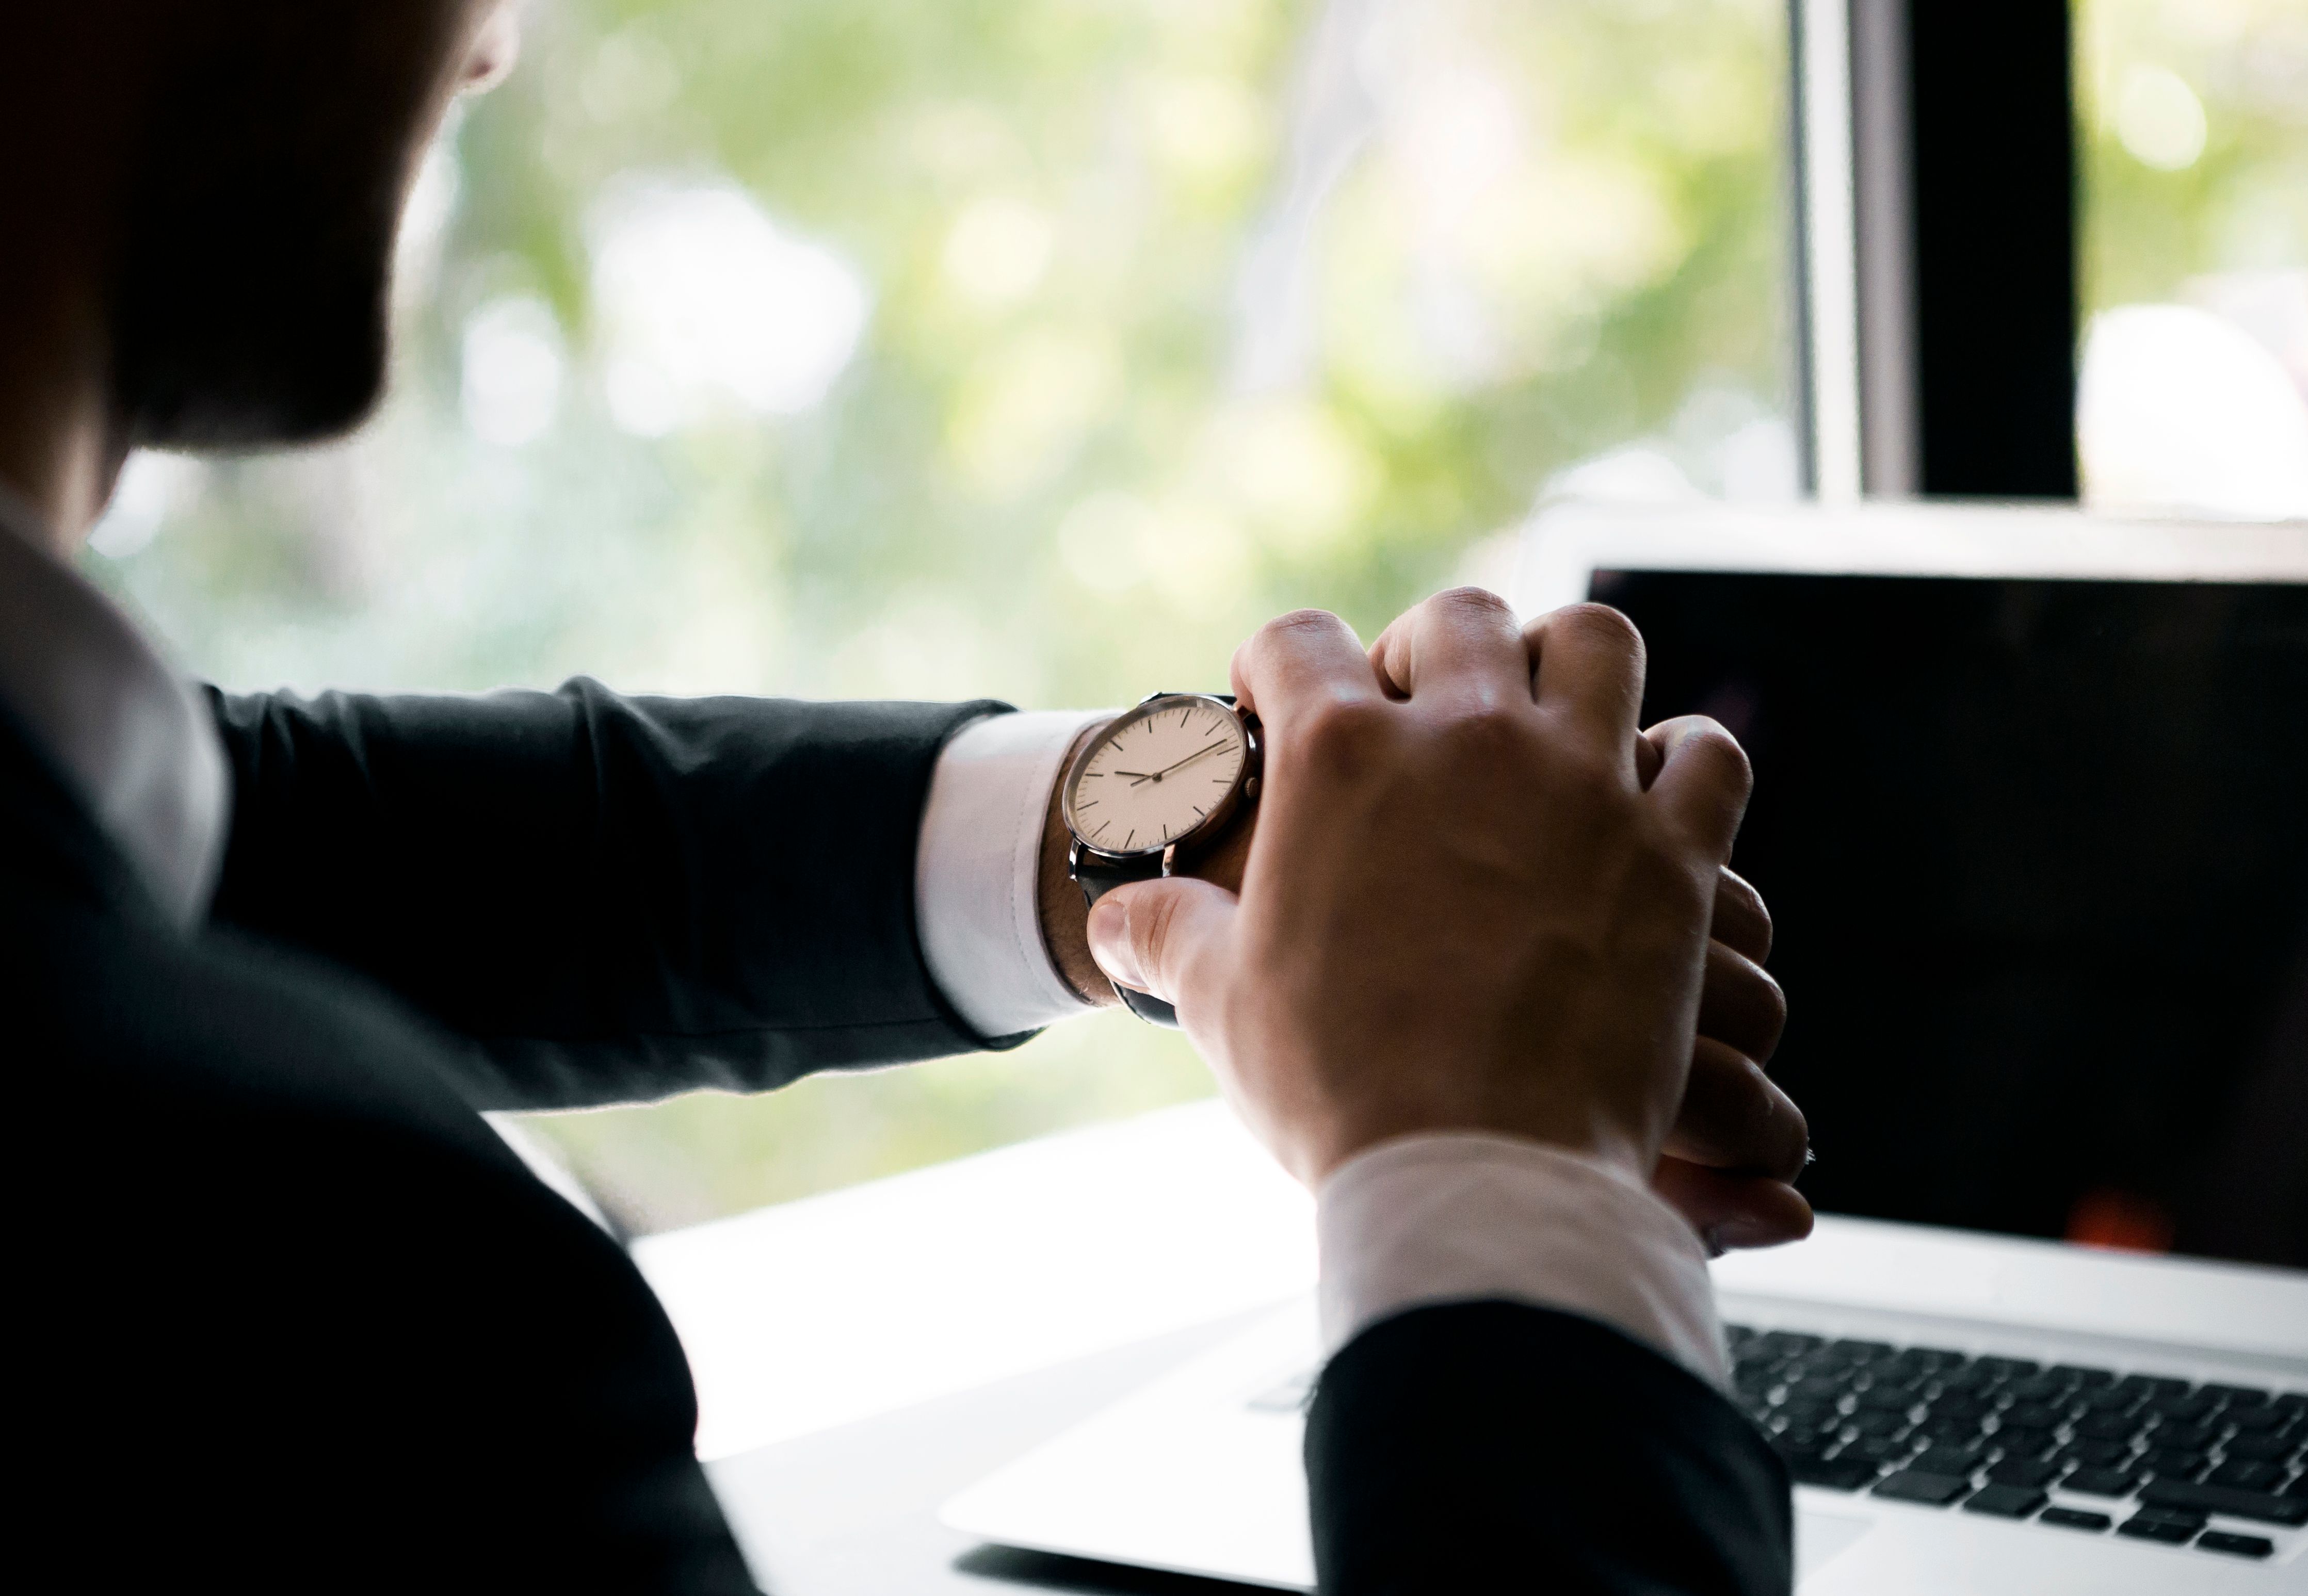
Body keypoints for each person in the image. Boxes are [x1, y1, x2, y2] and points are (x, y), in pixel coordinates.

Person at [1, 3, 1811, 1590]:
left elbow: (283, 841)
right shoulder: (330, 1318)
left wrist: (1157, 822)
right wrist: (1503, 1192)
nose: (490, 41)